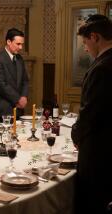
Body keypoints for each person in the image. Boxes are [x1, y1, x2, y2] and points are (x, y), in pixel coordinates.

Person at [71, 14, 112, 214]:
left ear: (95, 37)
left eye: (85, 41)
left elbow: (91, 111)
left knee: (91, 201)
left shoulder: (103, 67)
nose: (85, 48)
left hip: (99, 147)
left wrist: (76, 134)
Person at [0, 28, 29, 121]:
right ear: (8, 41)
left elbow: (25, 80)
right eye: (18, 44)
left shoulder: (19, 58)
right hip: (5, 109)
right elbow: (1, 85)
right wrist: (18, 99)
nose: (21, 47)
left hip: (19, 109)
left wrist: (24, 96)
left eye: (22, 44)